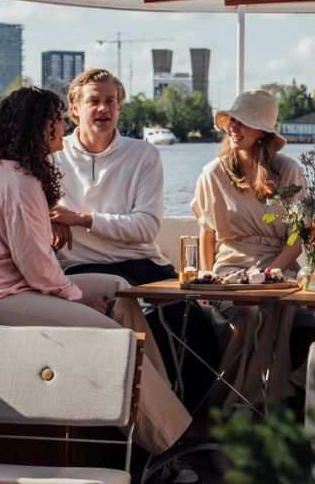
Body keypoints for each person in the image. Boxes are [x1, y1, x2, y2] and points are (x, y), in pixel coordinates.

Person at [0, 87, 193, 466]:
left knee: (119, 289)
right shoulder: (18, 181)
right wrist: (78, 300)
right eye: (57, 118)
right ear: (39, 127)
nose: (64, 125)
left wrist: (40, 220)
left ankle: (160, 406)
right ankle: (169, 444)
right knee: (115, 338)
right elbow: (38, 267)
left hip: (14, 287)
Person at [49, 68, 219, 422]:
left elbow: (145, 228)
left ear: (119, 108)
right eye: (93, 101)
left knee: (196, 326)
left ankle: (197, 424)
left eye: (110, 101)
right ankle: (155, 427)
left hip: (141, 263)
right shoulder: (52, 155)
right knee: (144, 332)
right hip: (82, 267)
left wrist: (81, 219)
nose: (103, 109)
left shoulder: (143, 155)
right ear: (74, 108)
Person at [191, 89, 305, 406]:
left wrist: (273, 271)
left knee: (274, 302)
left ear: (264, 133)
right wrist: (204, 278)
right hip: (230, 266)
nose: (234, 128)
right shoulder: (213, 173)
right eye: (232, 120)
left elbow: (299, 236)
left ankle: (224, 406)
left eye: (244, 122)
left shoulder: (288, 171)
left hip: (279, 265)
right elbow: (207, 233)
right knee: (249, 308)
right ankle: (256, 402)